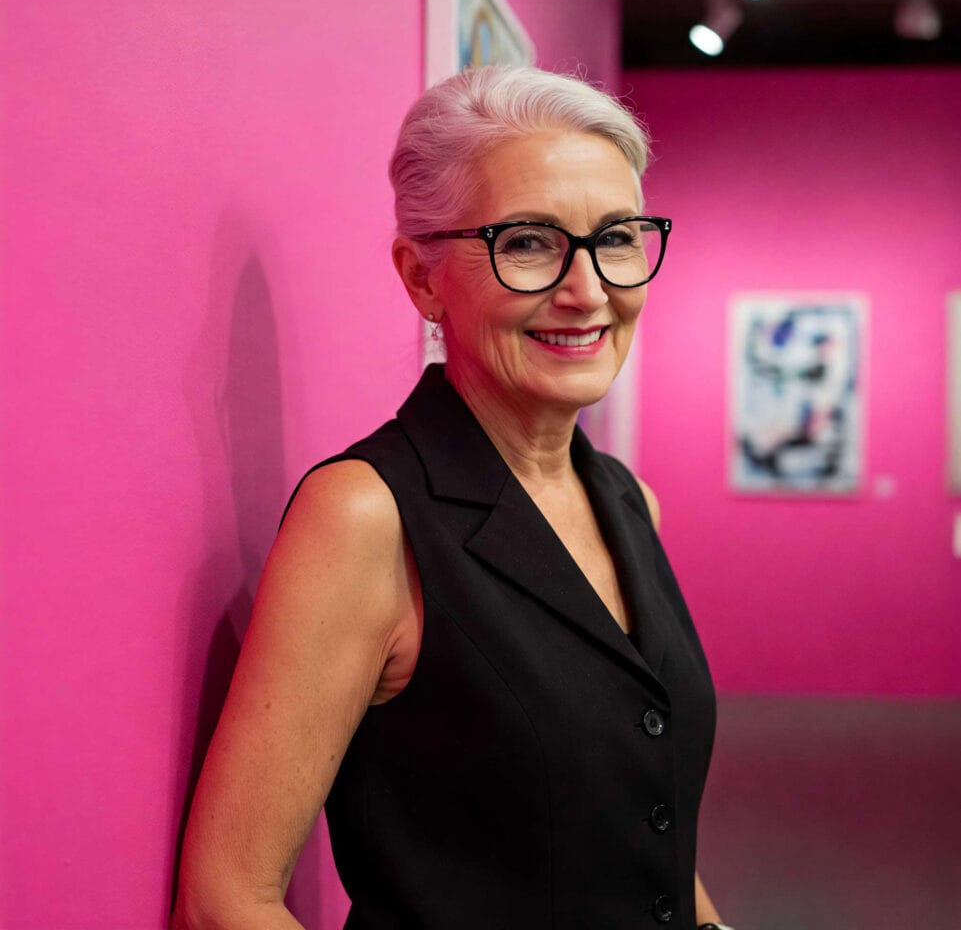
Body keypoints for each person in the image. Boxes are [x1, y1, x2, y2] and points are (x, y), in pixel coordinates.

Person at [173, 66, 732, 930]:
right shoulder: (369, 516)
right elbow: (224, 900)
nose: (587, 290)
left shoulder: (628, 501)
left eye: (616, 237)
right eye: (528, 243)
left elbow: (649, 831)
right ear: (423, 278)